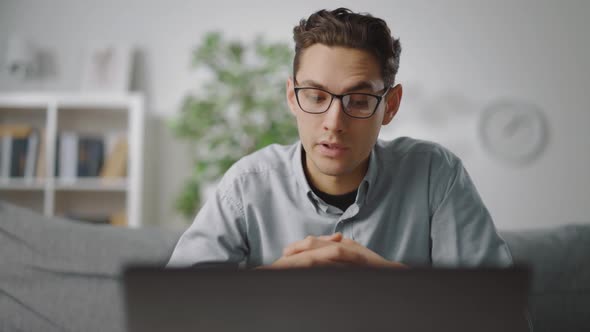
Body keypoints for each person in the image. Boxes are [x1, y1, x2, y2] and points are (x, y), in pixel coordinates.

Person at [167, 7, 512, 269]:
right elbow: (172, 309)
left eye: (359, 101)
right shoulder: (247, 185)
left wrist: (388, 282)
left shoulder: (436, 174)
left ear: (390, 105)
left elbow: (504, 316)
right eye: (316, 97)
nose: (334, 123)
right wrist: (272, 284)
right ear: (292, 97)